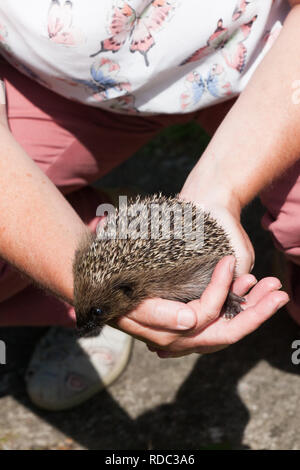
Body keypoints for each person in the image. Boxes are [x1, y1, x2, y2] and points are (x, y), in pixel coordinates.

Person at [0, 0, 297, 410]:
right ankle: (92, 228)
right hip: (57, 84)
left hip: (267, 60)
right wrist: (60, 262)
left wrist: (221, 188)